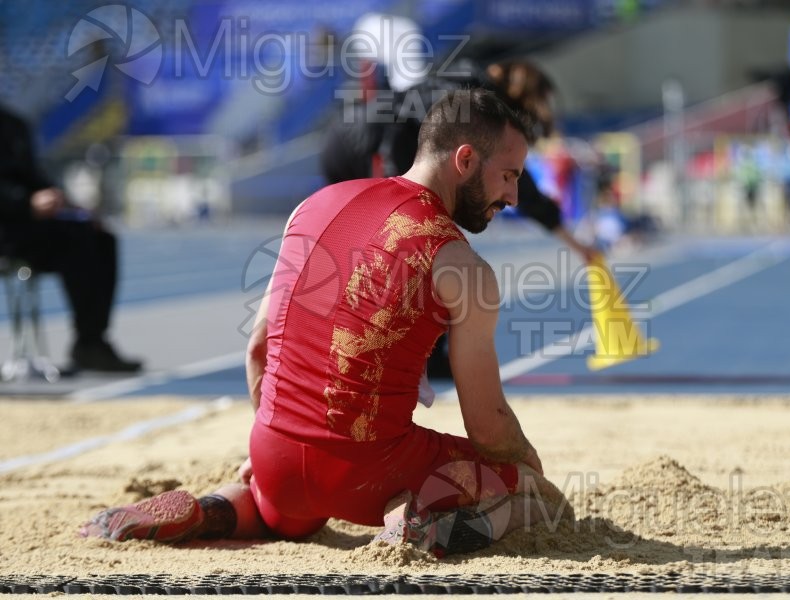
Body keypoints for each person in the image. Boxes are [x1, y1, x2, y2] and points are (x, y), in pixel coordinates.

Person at [80, 89, 571, 557]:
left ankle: (212, 508)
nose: (512, 195)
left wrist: (281, 438)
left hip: (274, 454)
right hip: (372, 471)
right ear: (464, 160)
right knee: (535, 500)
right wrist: (528, 465)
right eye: (509, 175)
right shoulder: (464, 268)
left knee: (277, 512)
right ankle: (421, 523)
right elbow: (488, 427)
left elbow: (258, 348)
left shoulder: (312, 206)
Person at [321, 59, 601, 378]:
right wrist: (392, 188)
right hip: (363, 141)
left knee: (420, 243)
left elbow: (520, 186)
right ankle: (394, 348)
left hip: (360, 138)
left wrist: (576, 243)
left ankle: (412, 348)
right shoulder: (470, 97)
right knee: (419, 242)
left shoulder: (479, 101)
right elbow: (404, 118)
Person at [0, 104, 141, 373]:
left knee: (100, 237)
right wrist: (25, 202)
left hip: (29, 224)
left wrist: (72, 207)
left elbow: (36, 178)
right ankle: (89, 341)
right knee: (78, 242)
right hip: (8, 226)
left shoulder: (13, 124)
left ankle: (91, 341)